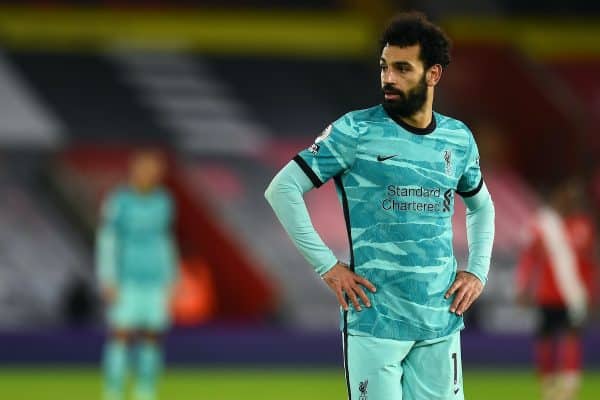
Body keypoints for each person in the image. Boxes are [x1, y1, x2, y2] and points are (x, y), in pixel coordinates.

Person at [265, 12, 495, 400]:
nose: (388, 78)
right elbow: (282, 189)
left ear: (433, 74)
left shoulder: (457, 139)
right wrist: (328, 267)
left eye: (403, 68)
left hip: (440, 321)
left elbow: (482, 207)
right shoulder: (355, 131)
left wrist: (478, 272)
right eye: (385, 67)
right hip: (375, 322)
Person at [97, 150, 179, 400]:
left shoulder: (164, 201)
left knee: (152, 335)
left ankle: (146, 391)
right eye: (145, 168)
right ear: (134, 170)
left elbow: (165, 240)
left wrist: (171, 276)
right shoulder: (118, 201)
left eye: (154, 170)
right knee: (121, 334)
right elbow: (108, 240)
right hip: (127, 279)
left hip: (155, 279)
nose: (150, 174)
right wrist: (107, 277)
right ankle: (114, 391)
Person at [515, 181, 598, 400]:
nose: (570, 201)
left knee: (572, 336)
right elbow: (529, 257)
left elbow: (590, 263)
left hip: (574, 295)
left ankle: (570, 386)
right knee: (545, 338)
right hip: (547, 294)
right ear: (557, 199)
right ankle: (548, 384)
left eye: (574, 197)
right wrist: (524, 286)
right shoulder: (544, 225)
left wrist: (591, 291)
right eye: (566, 196)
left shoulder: (583, 225)